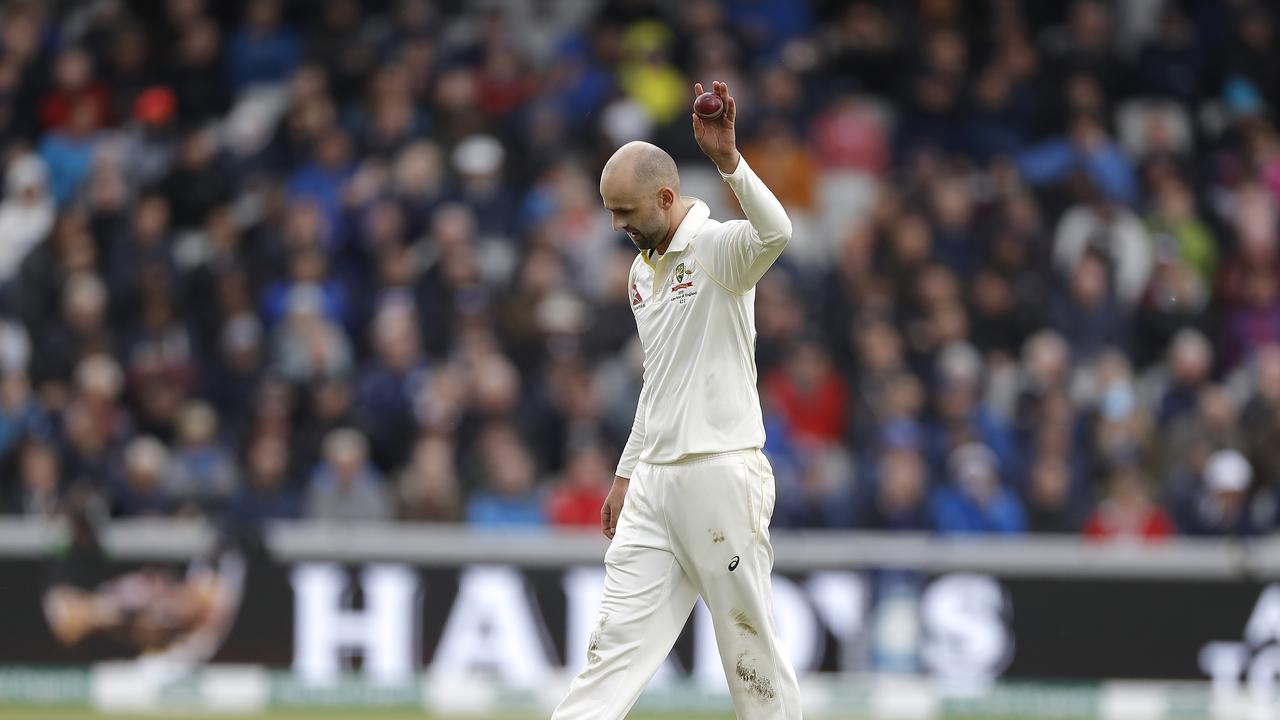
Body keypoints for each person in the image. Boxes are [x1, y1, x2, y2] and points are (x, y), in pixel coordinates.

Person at [553, 81, 801, 719]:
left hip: (721, 472)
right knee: (612, 648)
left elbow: (776, 232)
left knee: (750, 651)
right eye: (610, 212)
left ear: (666, 197)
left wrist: (729, 162)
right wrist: (625, 473)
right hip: (654, 487)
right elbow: (658, 382)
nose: (617, 226)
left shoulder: (719, 250)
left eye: (626, 211)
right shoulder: (642, 270)